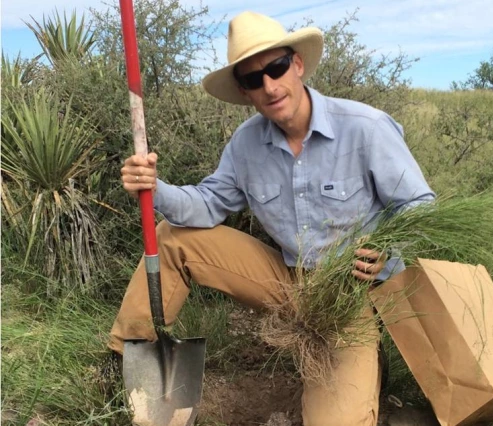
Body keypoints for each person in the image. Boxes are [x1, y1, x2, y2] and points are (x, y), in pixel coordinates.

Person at [109, 11, 435, 426]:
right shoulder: (246, 145)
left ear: (297, 64)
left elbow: (420, 208)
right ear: (244, 92)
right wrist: (153, 187)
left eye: (276, 67)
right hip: (286, 279)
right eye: (252, 79)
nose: (269, 85)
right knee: (174, 237)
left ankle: (369, 368)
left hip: (348, 295)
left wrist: (388, 252)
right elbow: (208, 204)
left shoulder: (366, 129)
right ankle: (122, 360)